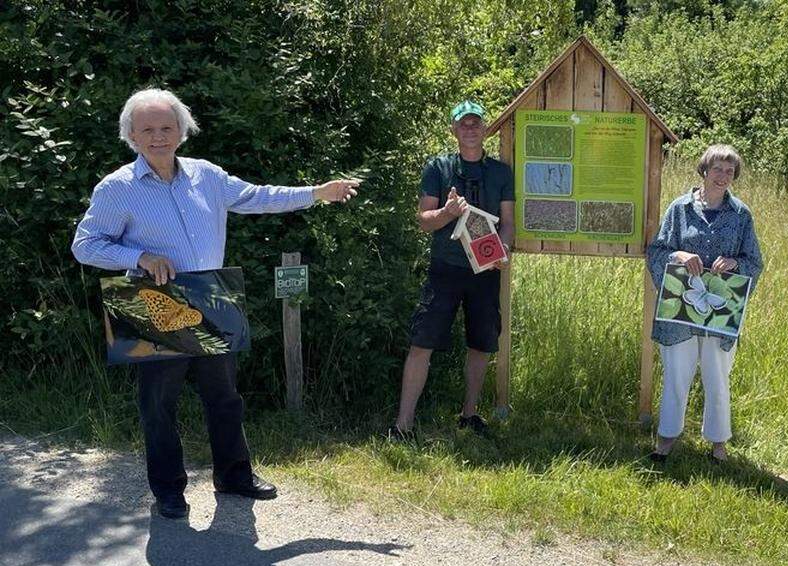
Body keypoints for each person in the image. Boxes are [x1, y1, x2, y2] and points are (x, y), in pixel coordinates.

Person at [71, 88, 360, 519]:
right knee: (159, 405)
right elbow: (85, 245)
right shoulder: (116, 189)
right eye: (147, 129)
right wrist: (139, 257)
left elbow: (259, 197)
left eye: (167, 127)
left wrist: (318, 192)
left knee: (225, 397)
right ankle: (168, 490)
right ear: (131, 135)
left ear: (182, 131)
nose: (158, 136)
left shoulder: (207, 176)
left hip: (212, 299)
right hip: (154, 304)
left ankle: (234, 476)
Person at [388, 102, 514, 440]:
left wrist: (503, 251)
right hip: (444, 270)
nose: (470, 129)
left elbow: (508, 223)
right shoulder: (438, 168)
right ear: (454, 130)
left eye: (476, 123)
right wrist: (447, 212)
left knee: (481, 343)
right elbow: (424, 222)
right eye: (463, 124)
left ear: (485, 128)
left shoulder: (501, 172)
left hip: (485, 271)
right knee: (421, 343)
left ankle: (469, 415)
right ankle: (403, 426)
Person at [646, 144, 763, 463]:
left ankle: (718, 444)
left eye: (730, 171)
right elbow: (656, 252)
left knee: (717, 377)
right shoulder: (679, 209)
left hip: (721, 309)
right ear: (703, 171)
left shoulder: (741, 215)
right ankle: (666, 438)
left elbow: (754, 261)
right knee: (676, 374)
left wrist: (735, 264)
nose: (723, 176)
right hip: (679, 307)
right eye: (717, 169)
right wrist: (679, 255)